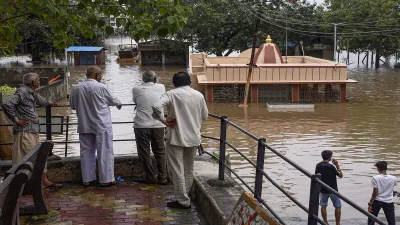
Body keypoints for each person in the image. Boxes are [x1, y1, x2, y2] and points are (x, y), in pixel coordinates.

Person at [152, 71, 208, 209]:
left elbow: (156, 106)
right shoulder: (199, 95)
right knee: (188, 169)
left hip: (176, 137)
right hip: (193, 137)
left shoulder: (171, 94)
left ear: (174, 83)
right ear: (190, 82)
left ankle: (183, 201)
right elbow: (205, 116)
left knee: (176, 170)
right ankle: (184, 197)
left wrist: (163, 120)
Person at [1, 72, 62, 188]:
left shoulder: (30, 92)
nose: (39, 82)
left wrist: (49, 103)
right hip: (25, 131)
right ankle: (42, 181)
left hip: (30, 130)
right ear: (34, 82)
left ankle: (28, 184)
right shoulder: (23, 91)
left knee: (24, 157)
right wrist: (16, 119)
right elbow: (6, 103)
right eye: (38, 80)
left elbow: (39, 100)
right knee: (35, 156)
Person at [70, 66, 122, 187]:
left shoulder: (76, 88)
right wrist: (119, 103)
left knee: (86, 152)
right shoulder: (101, 87)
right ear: (97, 75)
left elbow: (73, 105)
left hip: (84, 123)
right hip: (101, 124)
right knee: (105, 151)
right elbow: (115, 101)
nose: (101, 76)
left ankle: (87, 179)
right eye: (101, 74)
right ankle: (106, 179)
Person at [132, 71, 168, 185]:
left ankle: (150, 177)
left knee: (144, 153)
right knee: (160, 151)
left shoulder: (136, 89)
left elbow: (136, 101)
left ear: (143, 79)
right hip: (158, 124)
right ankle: (163, 177)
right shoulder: (161, 87)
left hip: (141, 125)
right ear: (155, 79)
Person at [315, 150, 343, 225]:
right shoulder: (331, 166)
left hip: (322, 189)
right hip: (333, 189)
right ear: (330, 157)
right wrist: (337, 165)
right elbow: (340, 176)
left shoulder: (318, 165)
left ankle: (325, 222)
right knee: (338, 206)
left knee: (323, 205)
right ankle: (338, 223)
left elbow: (316, 176)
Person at [368, 161, 397, 225]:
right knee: (391, 221)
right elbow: (391, 189)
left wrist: (370, 204)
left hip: (377, 201)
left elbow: (375, 193)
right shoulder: (393, 178)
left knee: (371, 220)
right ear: (386, 168)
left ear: (378, 169)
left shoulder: (375, 178)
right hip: (389, 201)